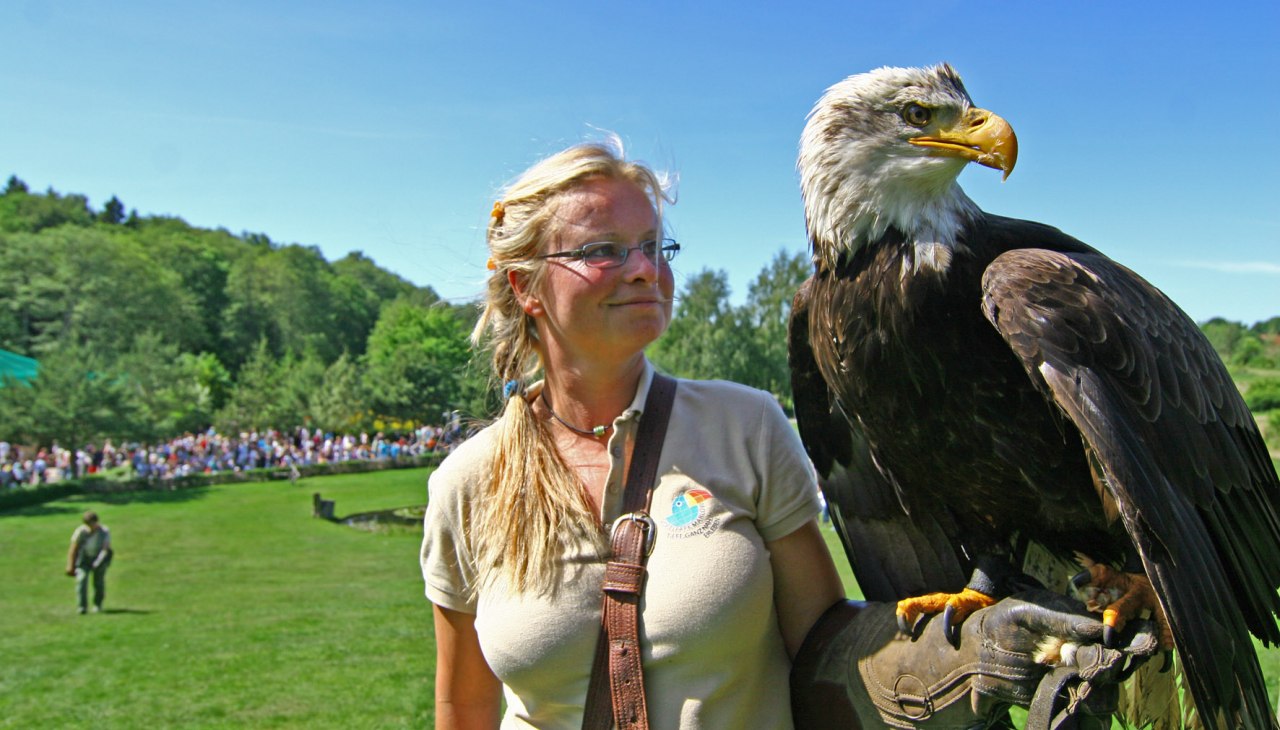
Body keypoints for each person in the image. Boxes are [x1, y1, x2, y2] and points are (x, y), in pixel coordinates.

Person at [420, 140, 1152, 729]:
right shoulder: (466, 483)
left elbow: (823, 645)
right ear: (524, 287)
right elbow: (464, 707)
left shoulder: (745, 426)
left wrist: (955, 660)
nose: (644, 270)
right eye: (603, 251)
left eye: (654, 245)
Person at [66, 510, 112, 614]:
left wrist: (98, 562)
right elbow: (73, 548)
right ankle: (82, 607)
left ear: (97, 522)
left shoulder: (104, 531)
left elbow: (106, 548)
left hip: (100, 558)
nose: (91, 527)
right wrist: (70, 566)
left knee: (98, 582)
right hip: (84, 559)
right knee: (81, 580)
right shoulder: (80, 531)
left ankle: (97, 605)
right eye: (88, 525)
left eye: (92, 524)